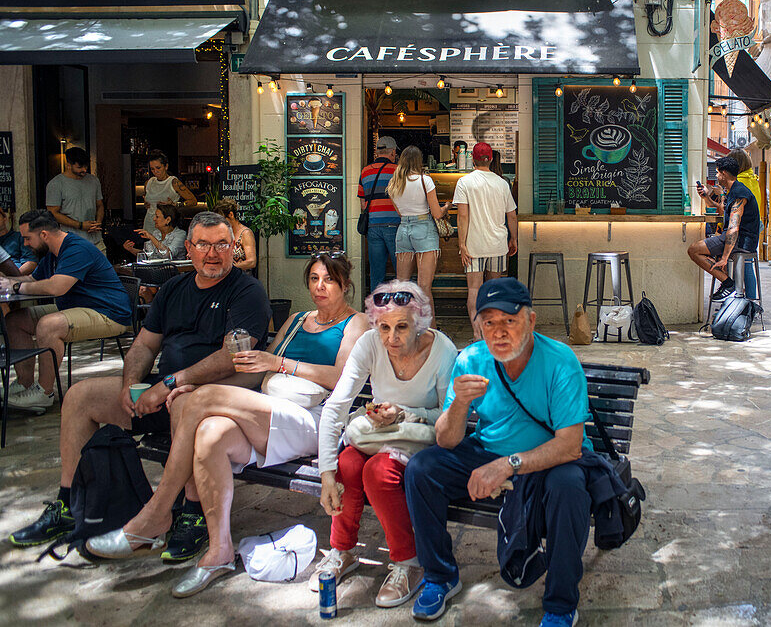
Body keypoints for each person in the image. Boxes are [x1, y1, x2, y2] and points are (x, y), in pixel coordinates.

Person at [86, 253, 367, 598]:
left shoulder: (357, 324)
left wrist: (278, 363)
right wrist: (219, 392)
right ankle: (218, 551)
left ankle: (157, 514)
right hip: (270, 408)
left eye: (330, 280)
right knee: (210, 433)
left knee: (194, 399)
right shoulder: (296, 319)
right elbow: (257, 373)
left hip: (314, 419)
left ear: (345, 284)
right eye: (314, 279)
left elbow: (340, 378)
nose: (320, 287)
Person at [6, 212, 270, 561]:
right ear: (188, 249)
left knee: (182, 399)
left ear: (234, 248)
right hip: (161, 390)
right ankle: (69, 503)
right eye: (203, 244)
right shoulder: (174, 288)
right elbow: (145, 345)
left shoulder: (247, 290)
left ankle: (192, 514)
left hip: (213, 397)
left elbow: (231, 356)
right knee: (80, 395)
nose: (212, 253)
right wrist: (131, 385)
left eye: (222, 244)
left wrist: (171, 383)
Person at [404, 278, 594, 625]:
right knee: (422, 469)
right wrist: (460, 403)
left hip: (549, 459)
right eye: (489, 322)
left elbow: (569, 446)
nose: (499, 331)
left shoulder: (559, 360)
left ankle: (561, 604)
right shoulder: (472, 359)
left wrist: (507, 466)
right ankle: (440, 576)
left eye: (510, 320)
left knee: (569, 488)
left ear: (531, 321)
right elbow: (446, 440)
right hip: (489, 451)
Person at [313, 280, 458, 607]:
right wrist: (325, 475)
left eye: (402, 327)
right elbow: (337, 406)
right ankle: (343, 550)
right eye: (383, 327)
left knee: (379, 471)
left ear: (420, 323)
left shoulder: (443, 351)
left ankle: (408, 562)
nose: (391, 338)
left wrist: (404, 413)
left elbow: (447, 418)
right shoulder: (368, 343)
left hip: (418, 438)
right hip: (380, 434)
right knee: (347, 465)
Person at [1, 210, 131, 413]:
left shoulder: (76, 249)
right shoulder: (52, 253)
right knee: (15, 320)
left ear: (44, 235)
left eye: (28, 238)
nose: (25, 244)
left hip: (107, 312)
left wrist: (17, 288)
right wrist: (7, 283)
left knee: (48, 325)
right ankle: (25, 383)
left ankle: (44, 392)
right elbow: (33, 280)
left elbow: (56, 287)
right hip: (77, 308)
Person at [454, 141, 518, 334]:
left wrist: (462, 244)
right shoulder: (502, 183)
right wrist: (513, 239)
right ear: (490, 159)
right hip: (497, 244)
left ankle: (477, 333)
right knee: (493, 289)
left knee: (474, 290)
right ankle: (492, 331)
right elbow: (512, 215)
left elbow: (463, 216)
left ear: (472, 159)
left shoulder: (465, 182)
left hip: (474, 245)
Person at [386, 147, 452, 322]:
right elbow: (437, 214)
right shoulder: (425, 180)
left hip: (403, 230)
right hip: (423, 229)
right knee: (424, 287)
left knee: (402, 285)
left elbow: (401, 213)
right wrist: (446, 207)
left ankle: (401, 326)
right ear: (418, 161)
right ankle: (431, 331)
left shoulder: (394, 183)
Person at [688, 152, 761, 302]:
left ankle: (729, 284)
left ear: (725, 173)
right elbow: (723, 210)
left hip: (742, 240)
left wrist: (725, 257)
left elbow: (734, 227)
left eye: (717, 173)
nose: (716, 176)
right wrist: (707, 197)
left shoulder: (740, 192)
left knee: (694, 250)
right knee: (696, 249)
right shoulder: (732, 190)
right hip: (735, 237)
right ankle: (730, 288)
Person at [358, 136, 399, 293]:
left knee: (376, 274)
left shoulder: (365, 171)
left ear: (377, 152)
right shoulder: (398, 171)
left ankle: (376, 312)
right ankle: (401, 311)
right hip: (394, 225)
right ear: (393, 152)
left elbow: (363, 204)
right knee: (401, 273)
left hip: (373, 226)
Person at [45, 146, 105, 252]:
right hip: (71, 241)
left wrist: (98, 222)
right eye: (79, 167)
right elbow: (53, 213)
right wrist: (80, 225)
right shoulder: (56, 184)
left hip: (96, 241)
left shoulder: (93, 180)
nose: (84, 170)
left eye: (86, 166)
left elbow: (99, 205)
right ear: (68, 165)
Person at [141, 150, 197, 235]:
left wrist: (176, 205)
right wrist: (146, 204)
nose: (155, 171)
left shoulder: (174, 182)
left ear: (166, 166)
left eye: (158, 168)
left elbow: (193, 201)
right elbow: (147, 201)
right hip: (149, 224)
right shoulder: (149, 183)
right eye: (152, 169)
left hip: (167, 226)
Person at [213, 199, 257, 272]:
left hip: (241, 279)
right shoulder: (222, 233)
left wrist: (228, 269)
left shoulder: (245, 233)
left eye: (222, 220)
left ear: (231, 215)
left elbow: (251, 262)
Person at [0, 205, 38, 274]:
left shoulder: (20, 237)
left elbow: (31, 263)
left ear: (4, 218)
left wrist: (13, 277)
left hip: (16, 277)